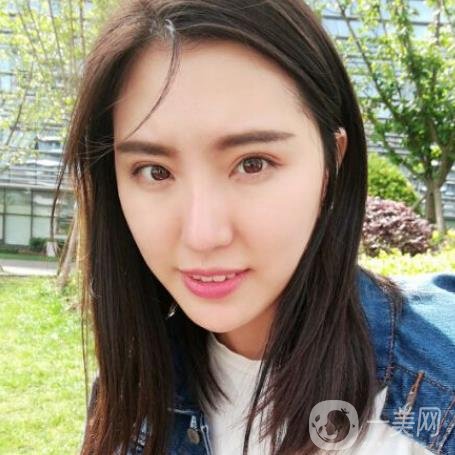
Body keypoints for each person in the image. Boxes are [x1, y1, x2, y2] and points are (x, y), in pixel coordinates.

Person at [56, 0, 455, 454]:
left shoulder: (438, 385)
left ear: (332, 164)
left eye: (253, 163)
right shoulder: (134, 393)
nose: (203, 235)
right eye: (155, 171)